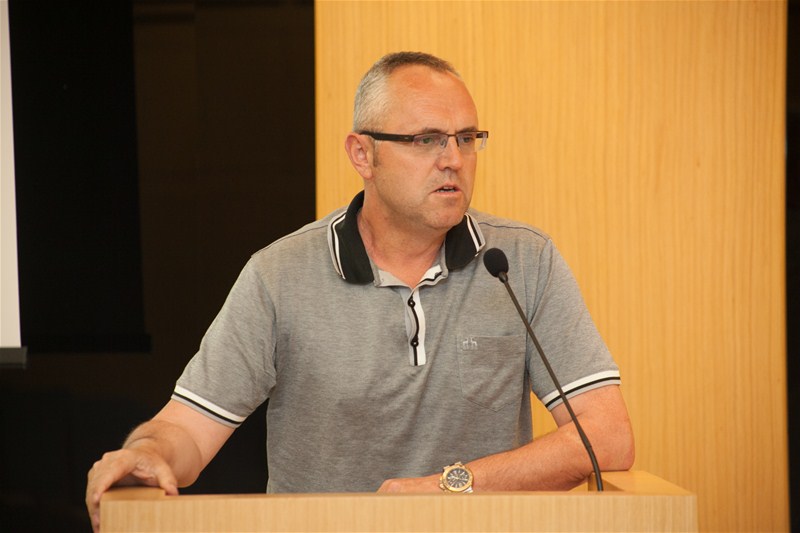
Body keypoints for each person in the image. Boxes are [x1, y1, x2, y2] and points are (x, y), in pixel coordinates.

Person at [86, 51, 634, 531]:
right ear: (362, 155)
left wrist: (451, 487)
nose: (453, 159)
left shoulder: (520, 262)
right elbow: (187, 431)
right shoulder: (279, 275)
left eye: (467, 139)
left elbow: (606, 437)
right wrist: (147, 452)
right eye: (426, 140)